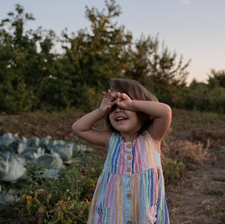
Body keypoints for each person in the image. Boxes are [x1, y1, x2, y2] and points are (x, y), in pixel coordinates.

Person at [72, 78, 171, 224]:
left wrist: (132, 103)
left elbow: (165, 111)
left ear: (142, 111)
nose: (118, 109)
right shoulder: (110, 139)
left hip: (144, 218)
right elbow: (78, 128)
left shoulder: (152, 138)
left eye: (124, 105)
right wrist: (101, 111)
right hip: (112, 217)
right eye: (113, 107)